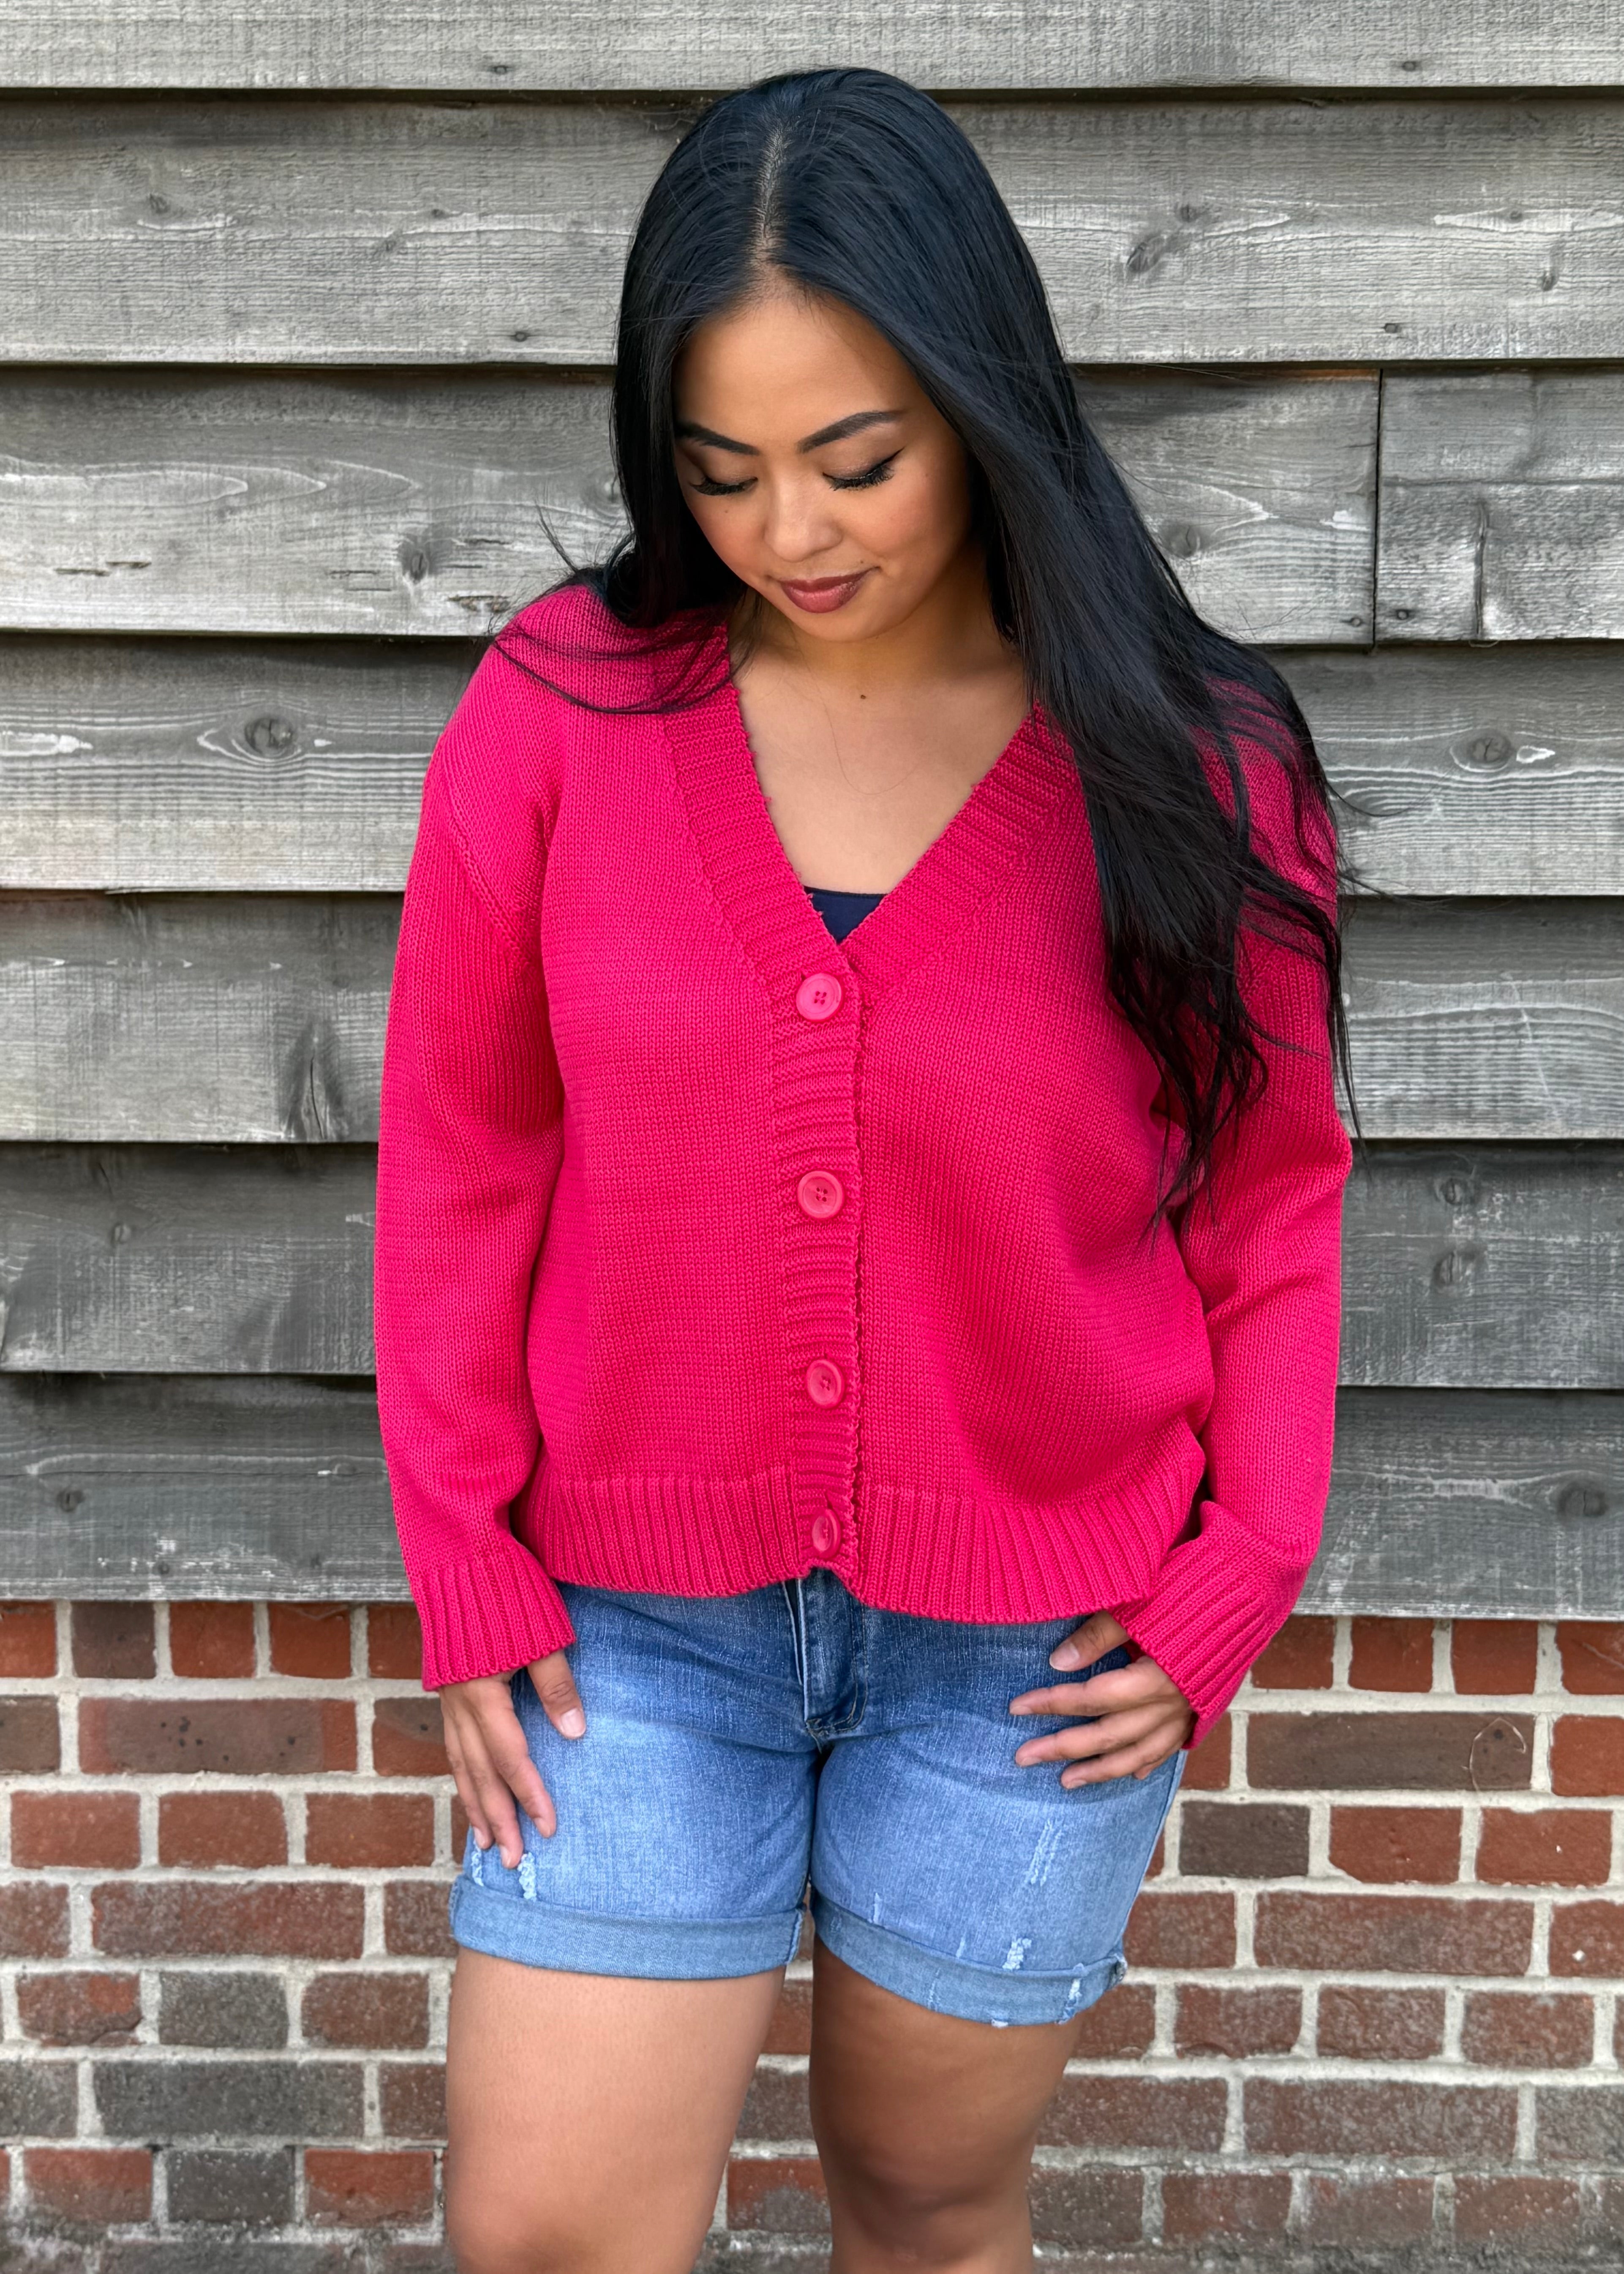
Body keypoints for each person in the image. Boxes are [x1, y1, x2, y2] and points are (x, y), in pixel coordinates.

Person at [372, 65, 1358, 2274]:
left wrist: (1238, 1571)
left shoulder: (1189, 758)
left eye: (856, 458)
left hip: (1033, 1648)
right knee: (548, 2235)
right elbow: (460, 1153)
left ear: (984, 405)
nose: (789, 532)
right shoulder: (562, 712)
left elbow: (1271, 1195)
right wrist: (463, 1560)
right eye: (718, 470)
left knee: (924, 2206)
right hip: (627, 1629)